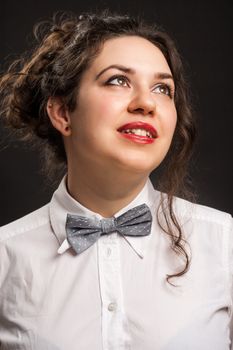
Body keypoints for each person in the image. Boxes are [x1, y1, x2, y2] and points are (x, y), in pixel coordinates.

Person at [0, 11, 232, 350]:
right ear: (63, 112)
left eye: (162, 88)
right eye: (118, 81)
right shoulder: (6, 256)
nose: (146, 103)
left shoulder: (225, 242)